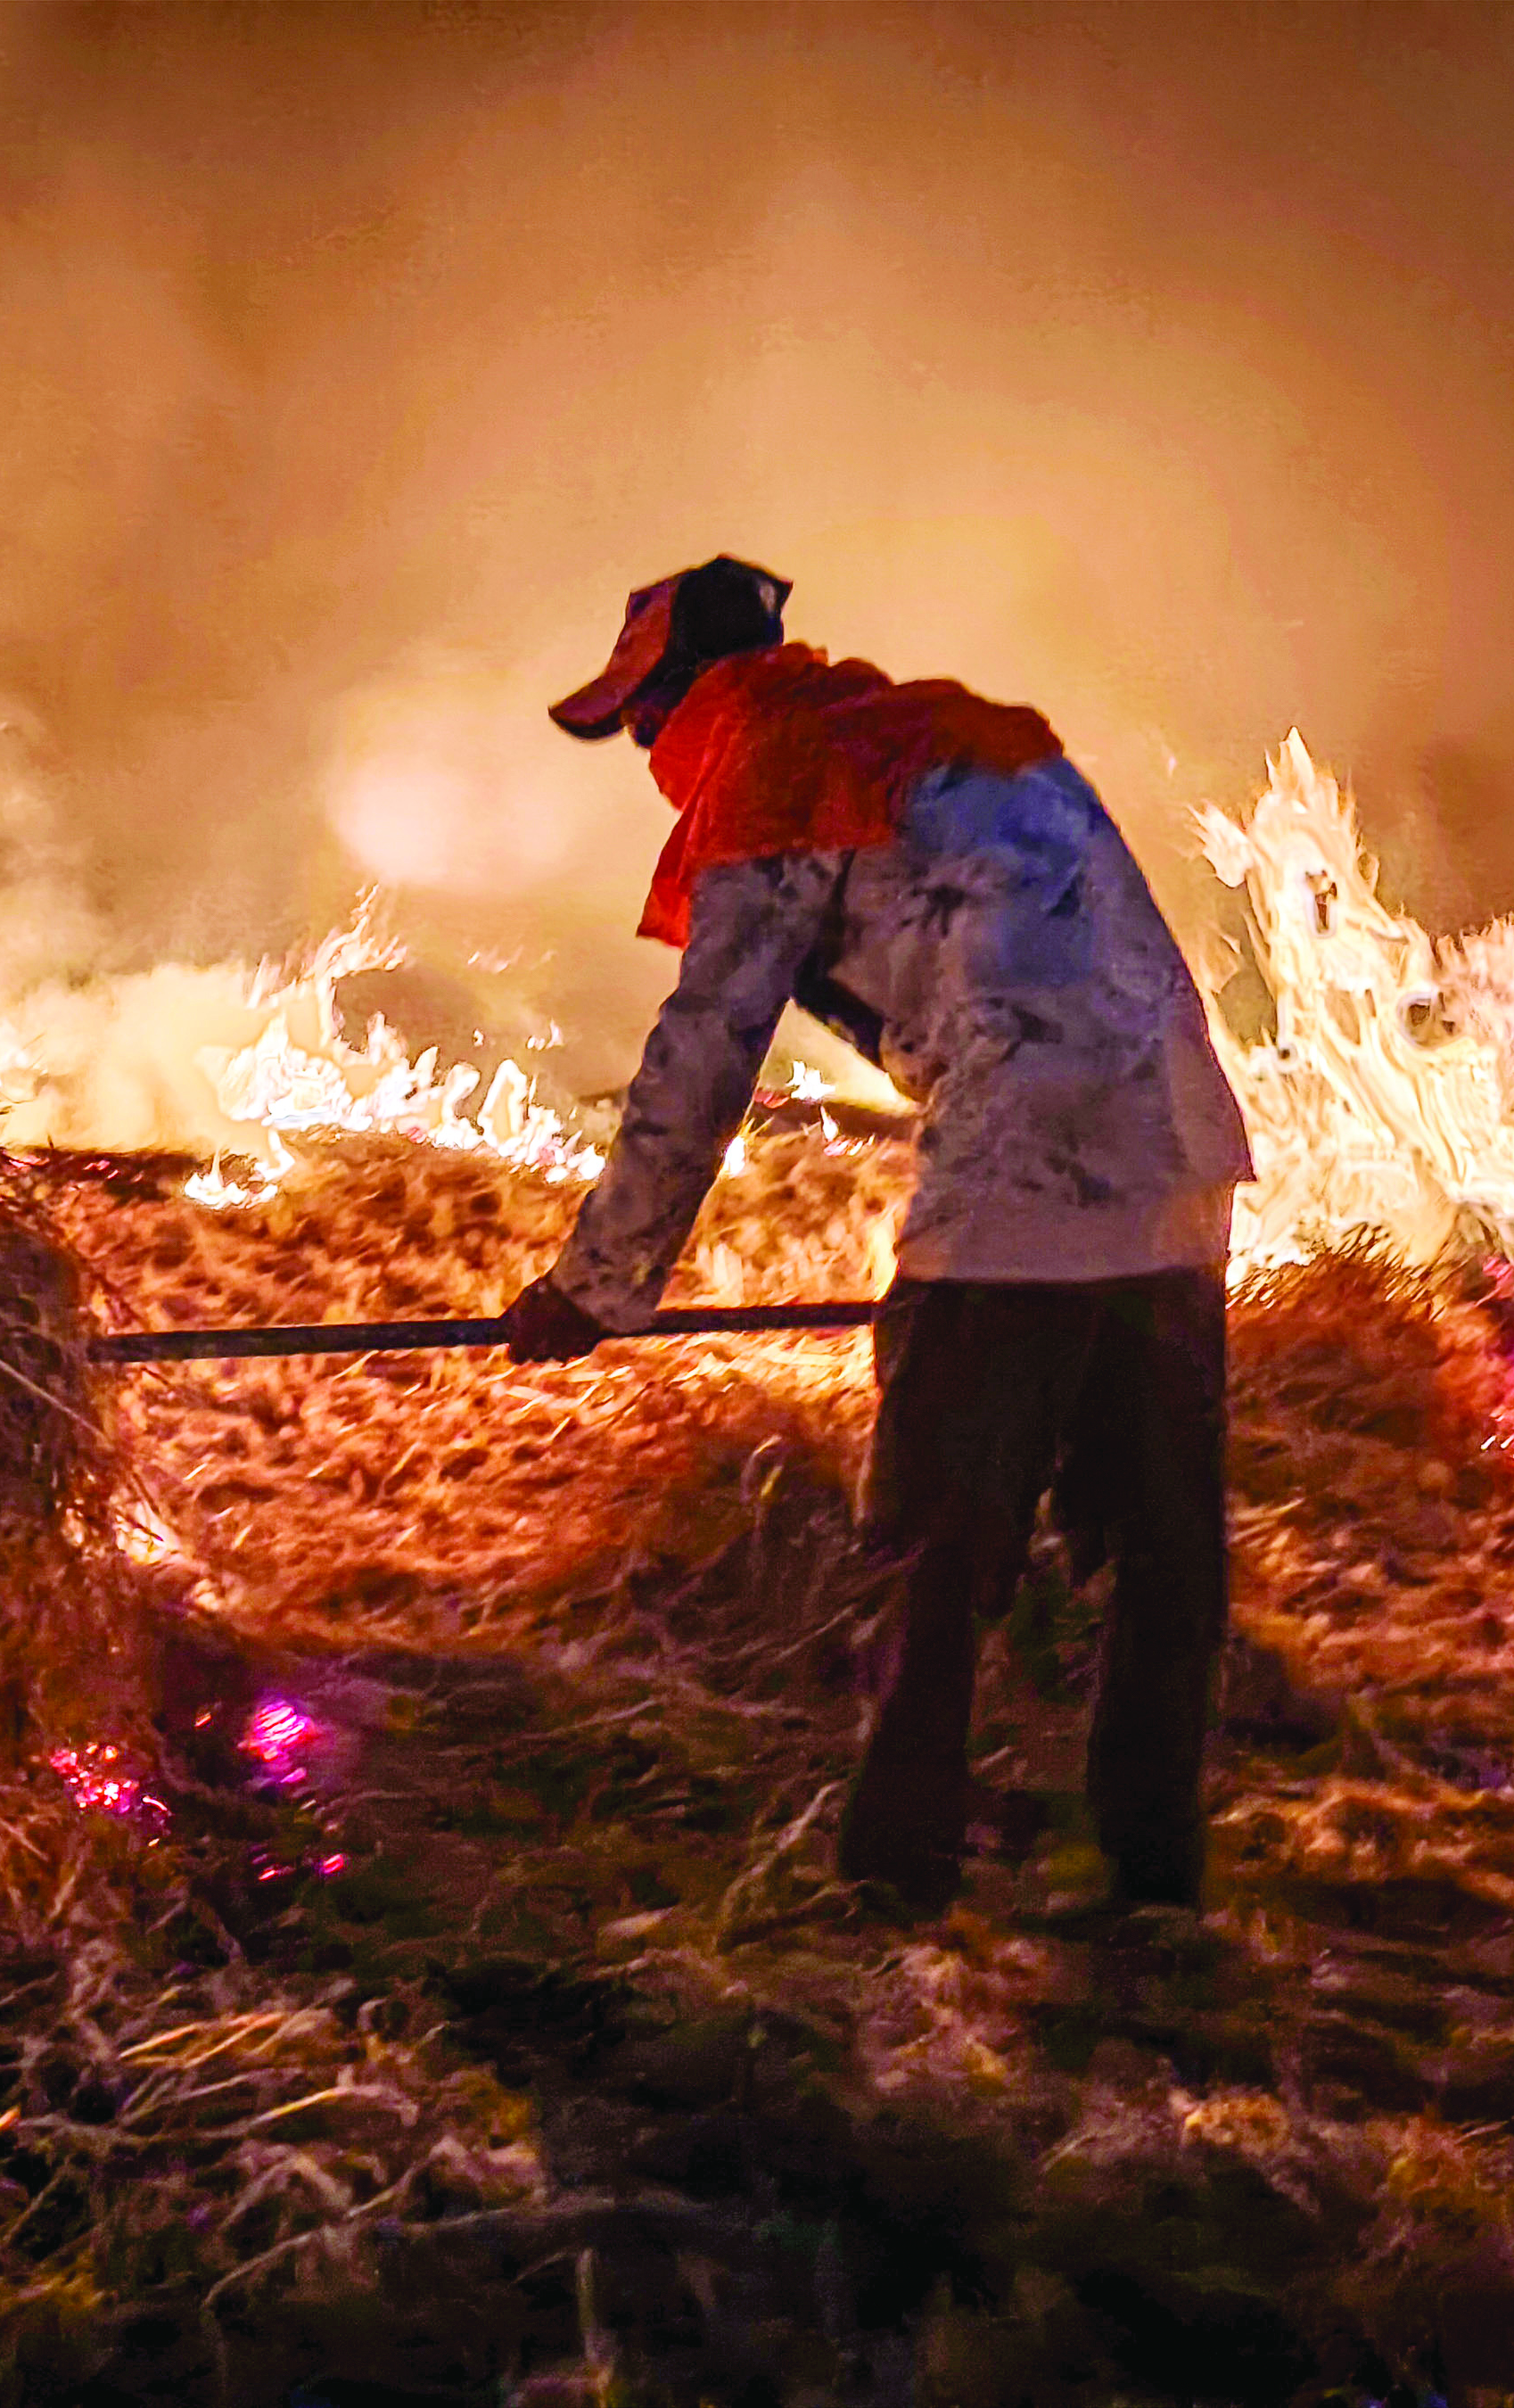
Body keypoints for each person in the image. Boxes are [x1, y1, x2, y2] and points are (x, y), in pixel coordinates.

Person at [505, 557, 1255, 1912]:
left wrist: (595, 1287)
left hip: (1019, 1195)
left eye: (637, 723)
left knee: (932, 1560)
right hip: (1183, 1169)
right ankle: (1152, 1883)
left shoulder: (775, 763)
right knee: (1160, 1561)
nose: (644, 754)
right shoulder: (953, 736)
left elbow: (704, 1052)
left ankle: (893, 1891)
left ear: (683, 699)